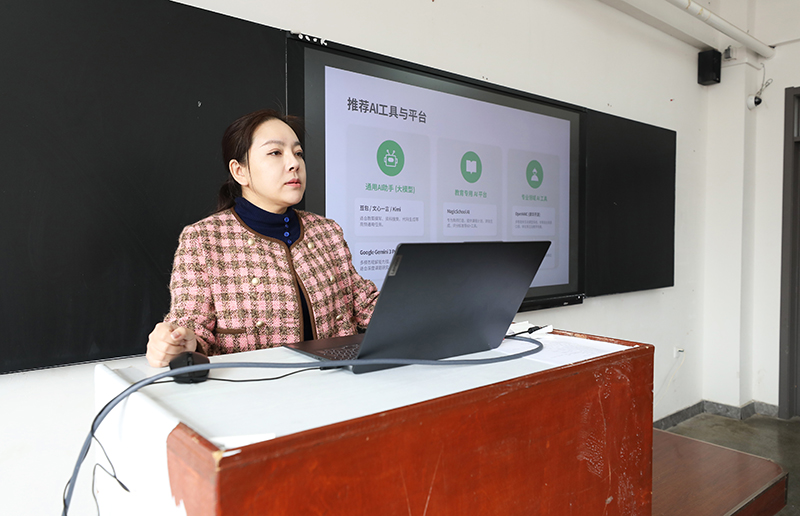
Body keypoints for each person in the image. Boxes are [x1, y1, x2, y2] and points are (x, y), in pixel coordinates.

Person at [146, 109, 379, 368]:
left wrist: (409, 302)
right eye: (276, 152)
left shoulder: (327, 231)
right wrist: (177, 342)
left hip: (343, 383)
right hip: (255, 388)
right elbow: (191, 327)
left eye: (298, 153)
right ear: (239, 171)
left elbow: (365, 306)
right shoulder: (204, 240)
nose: (294, 163)